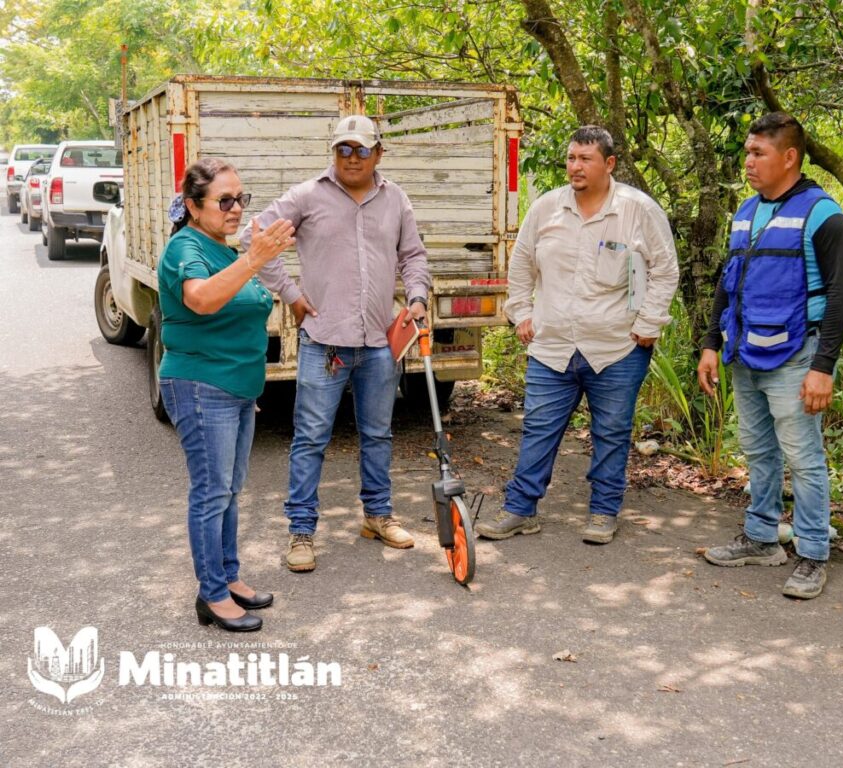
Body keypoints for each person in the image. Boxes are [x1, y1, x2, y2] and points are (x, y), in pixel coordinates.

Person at [241, 114, 431, 572]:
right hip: (324, 342)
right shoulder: (308, 196)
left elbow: (413, 255)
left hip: (379, 342)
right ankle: (301, 533)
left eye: (361, 149)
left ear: (378, 153)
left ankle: (377, 515)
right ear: (333, 153)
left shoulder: (395, 198)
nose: (351, 157)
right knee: (310, 438)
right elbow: (257, 236)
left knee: (378, 434)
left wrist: (419, 296)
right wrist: (289, 293)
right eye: (343, 149)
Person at [476, 125, 679, 545]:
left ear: (609, 164)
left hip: (617, 347)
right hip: (552, 346)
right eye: (571, 158)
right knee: (538, 429)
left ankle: (604, 511)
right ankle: (519, 510)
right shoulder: (548, 208)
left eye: (585, 159)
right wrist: (521, 312)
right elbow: (522, 265)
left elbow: (664, 269)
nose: (575, 166)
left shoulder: (638, 210)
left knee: (612, 432)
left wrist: (648, 322)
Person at [697, 112, 843, 600]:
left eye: (757, 153)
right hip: (744, 355)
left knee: (804, 459)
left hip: (795, 357)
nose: (748, 161)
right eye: (747, 151)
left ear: (789, 157)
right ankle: (762, 537)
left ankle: (812, 554)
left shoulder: (822, 214)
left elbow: (841, 294)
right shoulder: (746, 211)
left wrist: (822, 368)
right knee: (759, 453)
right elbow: (729, 282)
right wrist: (710, 342)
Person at [159, 158, 296, 632]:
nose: (236, 208)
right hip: (200, 386)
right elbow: (200, 300)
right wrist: (255, 258)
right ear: (195, 207)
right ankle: (211, 595)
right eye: (225, 200)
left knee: (229, 491)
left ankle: (228, 577)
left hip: (236, 390)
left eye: (241, 198)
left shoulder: (223, 247)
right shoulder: (186, 248)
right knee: (211, 491)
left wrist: (246, 388)